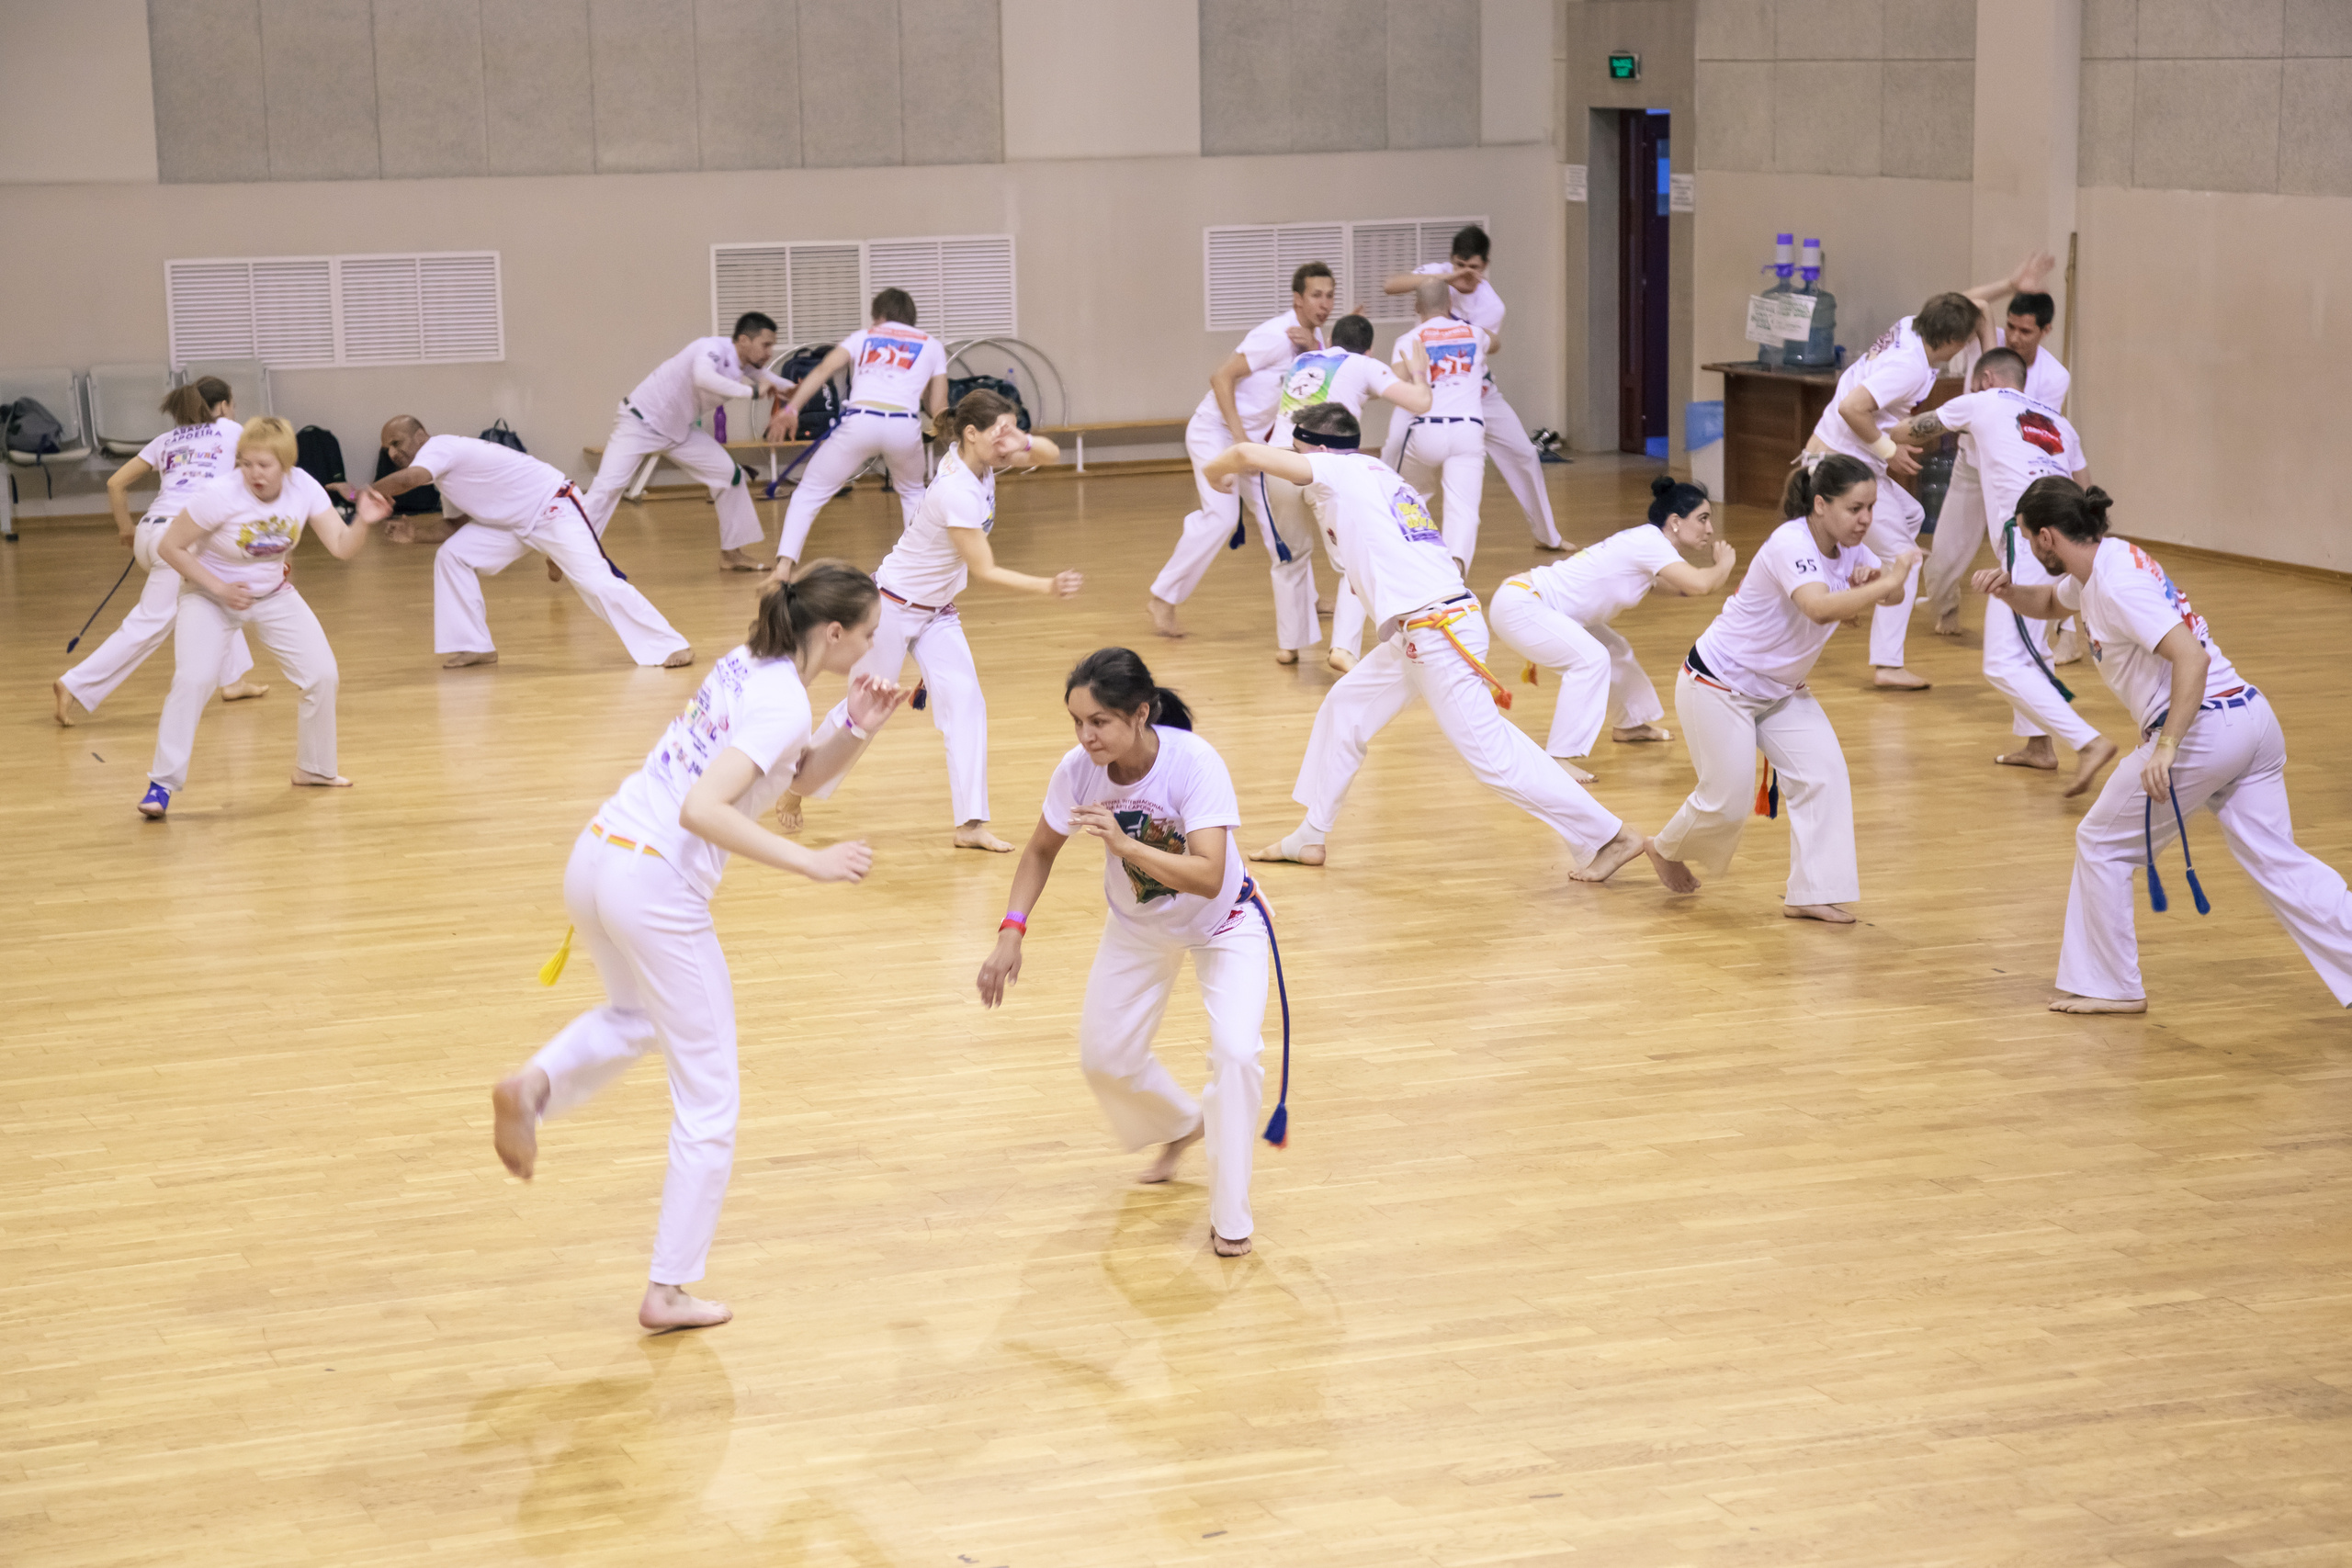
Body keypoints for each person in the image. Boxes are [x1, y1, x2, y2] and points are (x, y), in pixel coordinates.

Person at [489, 563, 910, 1329]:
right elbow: (703, 809)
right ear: (837, 632)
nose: (878, 647)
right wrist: (811, 863)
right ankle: (667, 1288)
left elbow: (794, 776)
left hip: (597, 855)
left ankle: (537, 1085)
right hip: (653, 883)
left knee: (638, 1015)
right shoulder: (782, 699)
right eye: (872, 633)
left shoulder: (751, 663)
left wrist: (855, 726)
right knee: (710, 1099)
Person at [1215, 404, 1649, 885]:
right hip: (1423, 628)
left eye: (1297, 451)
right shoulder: (1376, 473)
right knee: (1345, 708)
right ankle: (1311, 835)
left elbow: (1244, 452)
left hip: (1437, 632)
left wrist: (1218, 472)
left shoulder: (1338, 470)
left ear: (1315, 449)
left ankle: (1611, 835)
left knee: (1493, 760)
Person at [1975, 480, 2352, 1015]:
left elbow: (2191, 659)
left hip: (2203, 732)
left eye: (2028, 539)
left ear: (2046, 536)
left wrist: (2167, 747)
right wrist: (2005, 590)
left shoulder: (2115, 584)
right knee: (2280, 863)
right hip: (2251, 719)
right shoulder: (2102, 564)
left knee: (2102, 844)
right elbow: (2046, 601)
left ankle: (2111, 985)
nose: (2030, 551)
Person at [977, 649, 1274, 1257]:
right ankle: (1181, 1123)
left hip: (1227, 921)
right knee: (1104, 1059)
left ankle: (1231, 1216)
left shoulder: (1195, 763)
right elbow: (1038, 850)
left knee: (1238, 1054)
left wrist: (1124, 844)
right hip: (1139, 927)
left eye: (1100, 722)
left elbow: (1209, 875)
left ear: (1141, 713)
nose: (1086, 736)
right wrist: (1012, 928)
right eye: (1077, 722)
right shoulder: (1078, 769)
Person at [775, 389, 1078, 853]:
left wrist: (1018, 437)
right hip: (889, 609)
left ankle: (970, 825)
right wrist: (1048, 586)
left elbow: (1052, 455)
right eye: (1000, 432)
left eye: (1012, 429)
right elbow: (985, 570)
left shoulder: (984, 462)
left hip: (937, 611)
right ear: (971, 435)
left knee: (966, 703)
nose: (1008, 441)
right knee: (862, 713)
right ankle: (796, 787)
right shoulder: (956, 488)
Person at [1645, 456, 1918, 921]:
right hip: (1717, 683)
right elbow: (1817, 607)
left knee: (1825, 775)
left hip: (1781, 691)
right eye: (1856, 508)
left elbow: (1890, 595)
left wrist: (1880, 580)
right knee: (1726, 801)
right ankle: (1664, 847)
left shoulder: (1851, 546)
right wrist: (1890, 578)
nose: (1866, 519)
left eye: (1871, 508)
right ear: (1820, 504)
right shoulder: (1790, 543)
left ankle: (1812, 894)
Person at [1801, 253, 2052, 690]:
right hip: (1842, 464)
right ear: (1953, 342)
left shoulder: (1911, 325)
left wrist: (2010, 283)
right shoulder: (1910, 366)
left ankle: (1858, 581)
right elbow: (1850, 408)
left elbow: (1965, 303)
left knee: (1912, 516)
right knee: (1906, 558)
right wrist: (1889, 448)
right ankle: (1887, 664)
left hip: (1843, 457)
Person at [1891, 350, 2118, 795]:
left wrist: (1861, 430)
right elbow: (2088, 489)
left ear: (1987, 377)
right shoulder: (2059, 422)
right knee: (2032, 648)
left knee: (2001, 661)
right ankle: (2039, 746)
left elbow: (1908, 430)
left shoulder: (1984, 399)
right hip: (2076, 542)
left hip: (2033, 538)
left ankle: (2087, 742)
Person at [138, 417, 375, 819]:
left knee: (322, 674)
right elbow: (170, 547)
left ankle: (314, 769)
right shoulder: (219, 494)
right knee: (193, 679)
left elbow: (340, 546)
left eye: (263, 465)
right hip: (208, 594)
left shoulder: (305, 488)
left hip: (273, 593)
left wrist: (364, 520)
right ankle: (161, 784)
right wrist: (219, 588)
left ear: (285, 464)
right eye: (246, 463)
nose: (253, 473)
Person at [365, 417, 694, 670]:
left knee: (595, 582)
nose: (393, 453)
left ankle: (668, 644)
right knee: (453, 555)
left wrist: (357, 494)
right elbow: (455, 525)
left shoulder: (440, 448)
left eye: (396, 442)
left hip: (553, 507)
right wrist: (416, 535)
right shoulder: (443, 476)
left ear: (420, 435)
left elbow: (408, 480)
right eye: (387, 450)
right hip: (512, 525)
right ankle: (474, 645)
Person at [1487, 475, 1736, 781]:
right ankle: (1560, 757)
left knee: (1614, 650)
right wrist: (1724, 563)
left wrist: (1712, 577)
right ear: (1675, 521)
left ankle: (1630, 724)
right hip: (1522, 606)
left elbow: (1682, 588)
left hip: (1535, 605)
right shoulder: (1650, 543)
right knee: (1591, 659)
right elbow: (1699, 585)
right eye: (1703, 519)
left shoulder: (1648, 545)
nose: (1709, 529)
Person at [54, 378, 268, 726]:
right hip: (183, 539)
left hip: (150, 532)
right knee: (151, 623)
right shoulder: (231, 431)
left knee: (221, 592)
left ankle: (233, 681)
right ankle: (74, 684)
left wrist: (126, 529)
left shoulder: (166, 440)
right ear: (226, 405)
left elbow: (115, 483)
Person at [1146, 262, 1334, 639]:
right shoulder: (1275, 336)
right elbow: (1221, 376)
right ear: (1298, 299)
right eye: (1316, 295)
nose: (1324, 303)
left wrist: (1314, 348)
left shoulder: (1314, 341)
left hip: (1254, 441)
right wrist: (1239, 440)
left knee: (1278, 517)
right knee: (1220, 516)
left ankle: (1306, 597)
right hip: (1216, 431)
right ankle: (1162, 598)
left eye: (1330, 295)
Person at [1328, 279, 1495, 668]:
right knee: (1464, 511)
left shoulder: (1410, 337)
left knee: (1400, 506)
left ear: (1417, 307)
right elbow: (1493, 344)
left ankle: (1398, 571)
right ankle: (1452, 584)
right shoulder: (1475, 333)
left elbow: (1395, 377)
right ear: (1450, 302)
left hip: (1426, 430)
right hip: (1469, 428)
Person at [1380, 223, 1566, 551]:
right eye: (1460, 266)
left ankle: (1548, 536)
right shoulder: (1439, 274)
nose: (1467, 274)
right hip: (1423, 385)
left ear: (1486, 266)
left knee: (1524, 453)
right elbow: (1390, 285)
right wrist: (1444, 279)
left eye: (1475, 268)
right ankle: (1390, 533)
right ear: (1451, 262)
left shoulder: (1491, 305)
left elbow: (1486, 346)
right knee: (1393, 446)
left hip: (1473, 392)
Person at [1259, 312, 1431, 666]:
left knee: (1290, 556)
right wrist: (1418, 372)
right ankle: (1343, 648)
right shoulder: (1362, 364)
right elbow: (1419, 402)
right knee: (1351, 560)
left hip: (1278, 460)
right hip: (1326, 465)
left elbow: (1359, 385)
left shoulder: (1305, 359)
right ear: (1369, 349)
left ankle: (1288, 646)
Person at [580, 312, 795, 572]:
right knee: (608, 487)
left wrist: (799, 389)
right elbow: (703, 377)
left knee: (730, 475)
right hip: (638, 422)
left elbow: (773, 383)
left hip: (678, 431)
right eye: (766, 345)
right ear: (744, 340)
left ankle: (731, 555)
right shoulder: (710, 348)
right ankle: (572, 551)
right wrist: (750, 392)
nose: (770, 352)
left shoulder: (744, 365)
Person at [769, 288, 951, 574]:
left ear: (879, 316)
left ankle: (783, 568)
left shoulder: (863, 336)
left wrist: (790, 410)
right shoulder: (932, 345)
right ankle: (918, 568)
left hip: (860, 421)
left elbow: (821, 371)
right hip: (904, 424)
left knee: (810, 492)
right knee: (912, 491)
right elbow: (939, 406)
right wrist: (952, 438)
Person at [1926, 288, 2075, 632]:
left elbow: (2025, 420)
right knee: (1945, 553)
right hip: (1970, 465)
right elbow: (1966, 302)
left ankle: (2059, 630)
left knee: (2039, 555)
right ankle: (1945, 610)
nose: (2014, 337)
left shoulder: (2055, 376)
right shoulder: (1987, 338)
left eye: (2025, 331)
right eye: (2010, 326)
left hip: (2016, 479)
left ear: (2045, 331)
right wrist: (2010, 284)